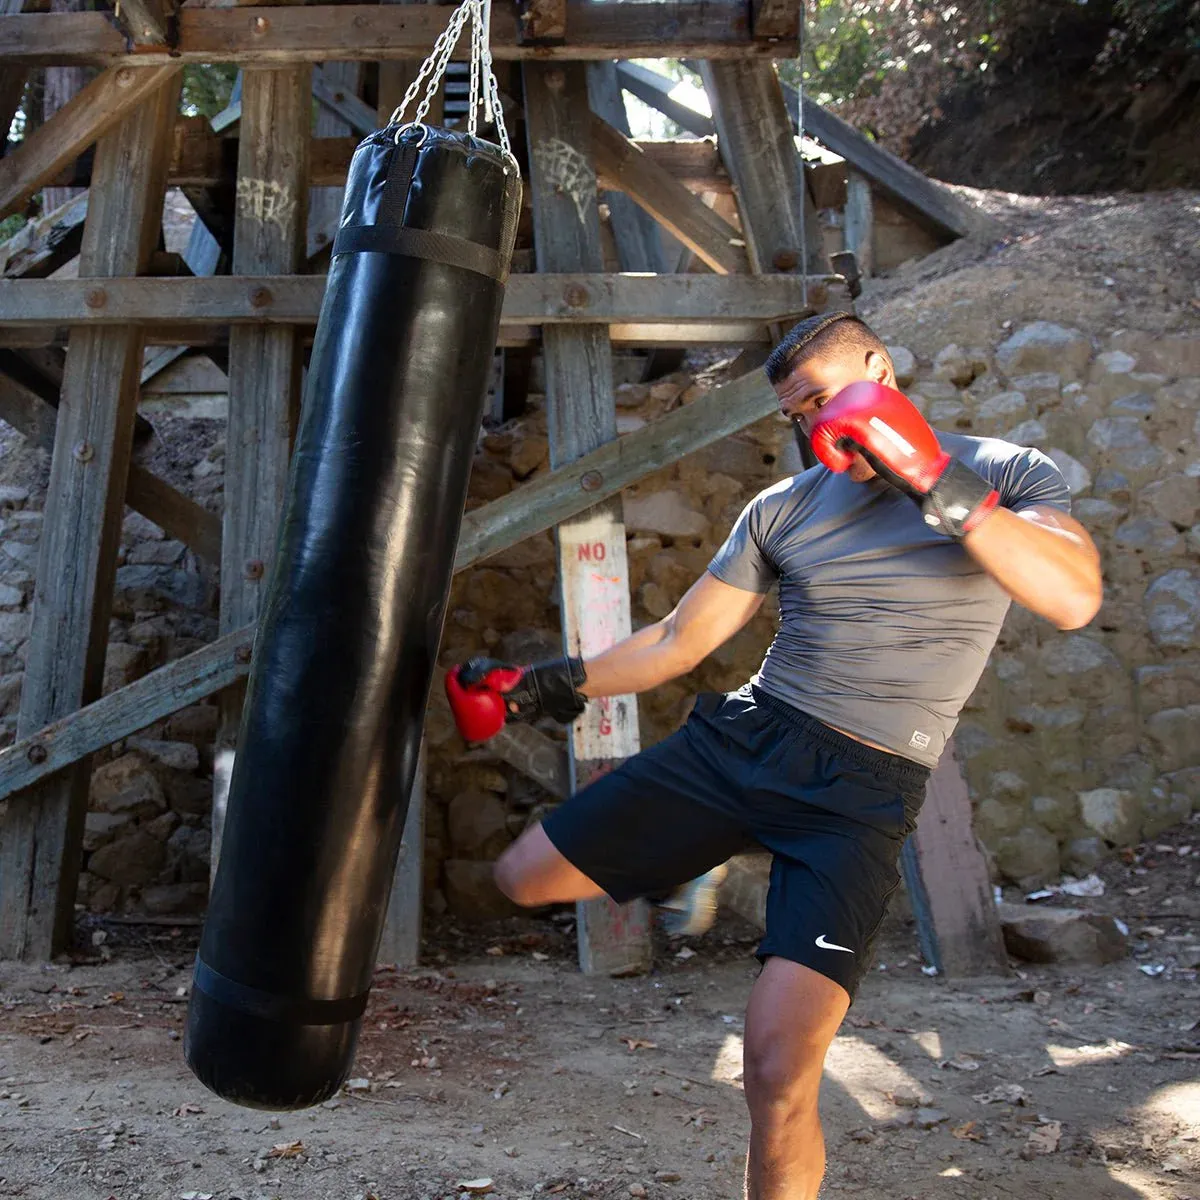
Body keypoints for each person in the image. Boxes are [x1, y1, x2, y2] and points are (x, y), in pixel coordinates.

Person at [444, 312, 1103, 1200]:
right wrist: (539, 686)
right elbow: (679, 639)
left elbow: (1071, 598)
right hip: (748, 741)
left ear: (879, 367)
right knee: (525, 878)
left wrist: (935, 481)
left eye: (824, 400)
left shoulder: (1005, 469)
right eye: (796, 415)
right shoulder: (783, 509)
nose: (814, 429)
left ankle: (735, 868)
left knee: (778, 1073)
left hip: (862, 794)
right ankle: (717, 854)